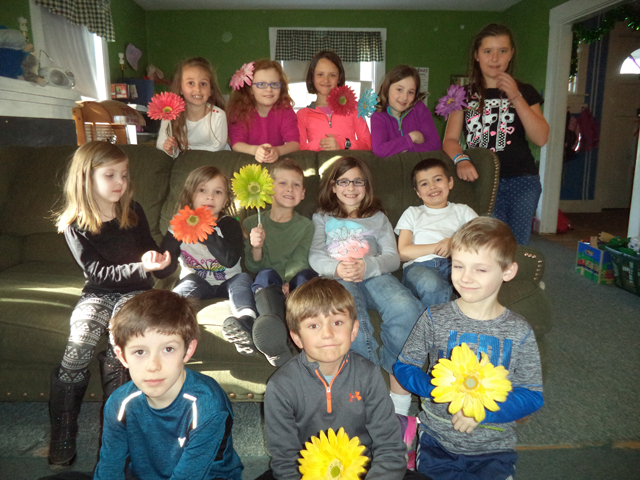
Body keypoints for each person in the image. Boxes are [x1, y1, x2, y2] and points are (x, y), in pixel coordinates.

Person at [394, 217, 544, 480]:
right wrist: (439, 390)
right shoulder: (434, 318)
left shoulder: (519, 331)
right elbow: (404, 366)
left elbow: (532, 395)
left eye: (480, 270)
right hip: (437, 443)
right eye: (459, 265)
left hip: (494, 448)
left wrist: (483, 411)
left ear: (507, 272)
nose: (465, 278)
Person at [50, 141, 171, 466]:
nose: (120, 182)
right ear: (87, 179)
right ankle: (63, 429)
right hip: (99, 291)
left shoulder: (134, 211)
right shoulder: (76, 223)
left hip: (137, 293)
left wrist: (161, 261)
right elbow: (98, 273)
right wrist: (141, 266)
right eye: (110, 175)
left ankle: (117, 431)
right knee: (78, 345)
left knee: (122, 347)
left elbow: (150, 249)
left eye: (124, 174)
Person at [259, 277, 428, 480]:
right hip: (307, 473)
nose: (328, 334)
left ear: (354, 330)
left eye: (337, 322)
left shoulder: (368, 374)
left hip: (364, 469)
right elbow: (285, 460)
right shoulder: (280, 386)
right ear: (297, 338)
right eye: (314, 326)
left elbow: (390, 446)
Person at [308, 156, 423, 420]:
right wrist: (337, 269)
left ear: (366, 186)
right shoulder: (322, 218)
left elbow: (393, 257)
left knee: (407, 308)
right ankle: (367, 385)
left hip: (374, 275)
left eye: (357, 181)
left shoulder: (378, 217)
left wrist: (367, 266)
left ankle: (398, 394)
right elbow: (314, 256)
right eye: (344, 181)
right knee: (350, 320)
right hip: (339, 277)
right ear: (333, 187)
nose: (351, 188)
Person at [94, 289, 243, 480]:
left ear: (188, 350)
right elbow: (109, 467)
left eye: (168, 349)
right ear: (122, 356)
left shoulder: (208, 405)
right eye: (140, 352)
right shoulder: (119, 403)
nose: (153, 366)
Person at [442, 24, 549, 245]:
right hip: (482, 180)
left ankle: (516, 280)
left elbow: (541, 138)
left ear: (511, 54)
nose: (495, 58)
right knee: (489, 244)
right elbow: (450, 140)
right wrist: (460, 159)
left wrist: (516, 97)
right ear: (477, 56)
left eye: (502, 50)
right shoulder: (462, 95)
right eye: (487, 51)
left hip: (522, 180)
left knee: (516, 244)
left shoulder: (525, 92)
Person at [155, 166, 258, 356]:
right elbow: (162, 272)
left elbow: (229, 259)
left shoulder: (229, 224)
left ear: (226, 200)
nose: (210, 197)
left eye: (217, 192)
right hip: (197, 280)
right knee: (175, 297)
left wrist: (206, 230)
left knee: (243, 279)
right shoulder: (178, 225)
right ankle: (168, 327)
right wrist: (159, 263)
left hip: (229, 280)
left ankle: (246, 323)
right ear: (190, 195)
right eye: (202, 190)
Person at [226, 158, 317, 366]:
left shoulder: (306, 226)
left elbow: (301, 259)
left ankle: (300, 332)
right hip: (269, 284)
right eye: (282, 183)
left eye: (296, 185)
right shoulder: (252, 223)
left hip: (295, 281)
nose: (289, 189)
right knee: (264, 274)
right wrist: (256, 246)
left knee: (306, 276)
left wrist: (287, 282)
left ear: (302, 194)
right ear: (268, 189)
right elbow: (253, 266)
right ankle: (274, 335)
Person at [395, 158, 477, 310]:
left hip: (456, 264)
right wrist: (437, 247)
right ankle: (436, 331)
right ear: (418, 192)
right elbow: (403, 252)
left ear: (450, 183)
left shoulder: (463, 210)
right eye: (424, 184)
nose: (432, 187)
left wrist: (453, 243)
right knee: (431, 283)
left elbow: (482, 236)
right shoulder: (412, 213)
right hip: (419, 267)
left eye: (438, 179)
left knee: (476, 278)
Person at [227, 59, 300, 163]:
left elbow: (294, 143)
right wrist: (256, 150)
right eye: (261, 84)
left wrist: (277, 151)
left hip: (276, 164)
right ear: (250, 89)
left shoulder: (285, 110)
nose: (269, 89)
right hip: (247, 163)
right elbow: (236, 144)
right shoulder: (240, 111)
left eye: (274, 84)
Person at [297, 50, 372, 151]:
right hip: (319, 165)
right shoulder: (302, 114)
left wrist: (344, 144)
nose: (326, 80)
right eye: (320, 74)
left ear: (339, 78)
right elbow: (298, 149)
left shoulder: (354, 108)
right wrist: (321, 144)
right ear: (312, 77)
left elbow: (368, 144)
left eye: (332, 75)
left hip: (349, 165)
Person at [156, 57, 228, 156]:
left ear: (211, 90)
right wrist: (169, 148)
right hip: (186, 164)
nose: (197, 89)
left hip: (214, 163)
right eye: (191, 83)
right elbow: (160, 144)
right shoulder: (170, 114)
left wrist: (183, 150)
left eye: (203, 84)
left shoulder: (218, 115)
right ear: (180, 88)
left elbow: (217, 147)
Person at [371, 65, 441, 157]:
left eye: (410, 92)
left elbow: (435, 146)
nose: (405, 97)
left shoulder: (420, 109)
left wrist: (403, 149)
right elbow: (379, 150)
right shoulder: (378, 116)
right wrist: (411, 138)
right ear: (387, 88)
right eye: (399, 89)